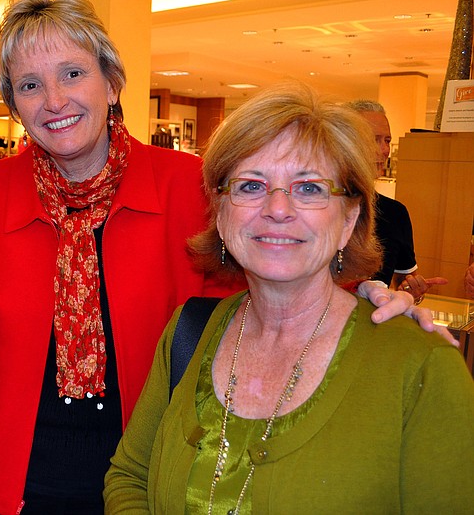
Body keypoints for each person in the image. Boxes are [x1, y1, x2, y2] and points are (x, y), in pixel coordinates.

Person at [0, 0, 432, 515]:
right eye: (30, 85)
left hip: (155, 477)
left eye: (73, 74)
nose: (54, 100)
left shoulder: (191, 187)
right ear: (14, 104)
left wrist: (364, 297)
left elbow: (275, 281)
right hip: (3, 486)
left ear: (112, 83)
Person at [104, 82, 474, 513]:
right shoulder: (190, 332)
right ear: (220, 214)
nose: (278, 209)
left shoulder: (423, 368)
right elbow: (130, 476)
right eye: (251, 186)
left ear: (349, 220)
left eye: (309, 188)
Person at [347, 100, 447, 303]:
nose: (384, 150)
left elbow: (405, 282)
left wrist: (411, 293)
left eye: (387, 140)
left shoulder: (395, 213)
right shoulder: (317, 207)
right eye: (373, 139)